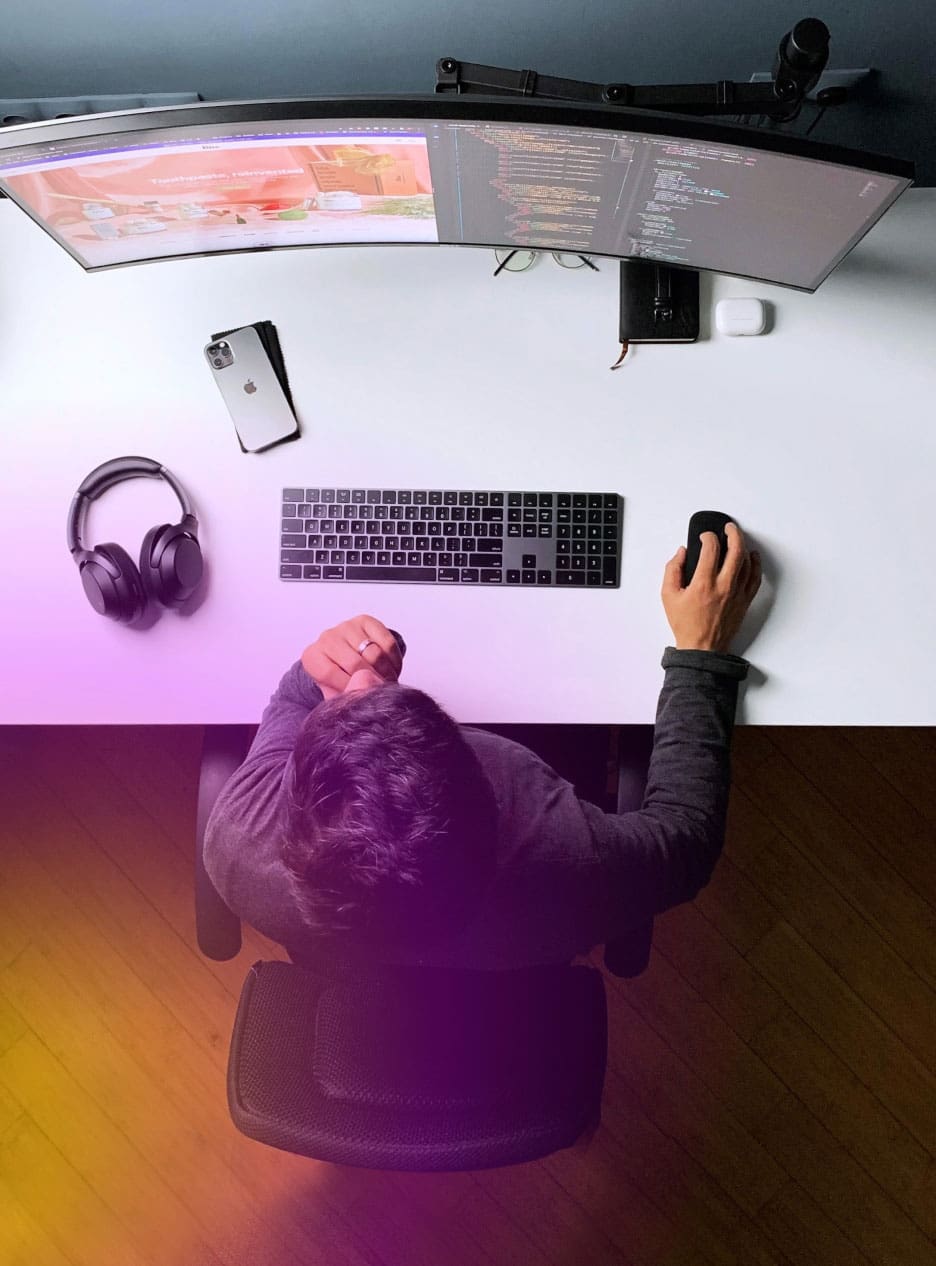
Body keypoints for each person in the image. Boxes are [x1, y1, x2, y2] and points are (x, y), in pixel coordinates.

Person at [203, 525, 762, 970]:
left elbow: (294, 697)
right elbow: (687, 837)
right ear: (488, 780)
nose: (364, 678)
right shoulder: (570, 860)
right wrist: (702, 652)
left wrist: (330, 665)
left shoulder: (237, 845)